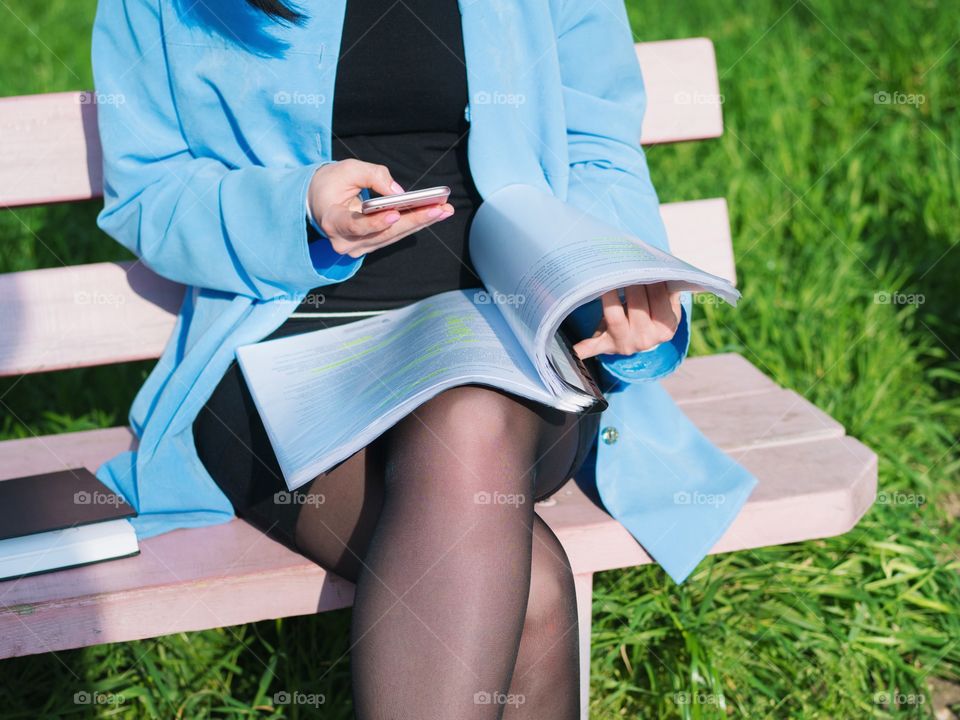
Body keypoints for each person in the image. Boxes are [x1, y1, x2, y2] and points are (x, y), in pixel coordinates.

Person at [91, 0, 685, 717]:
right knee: (531, 590)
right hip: (287, 353)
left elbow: (595, 143)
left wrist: (615, 270)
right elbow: (150, 192)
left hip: (506, 343)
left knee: (471, 420)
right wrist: (298, 207)